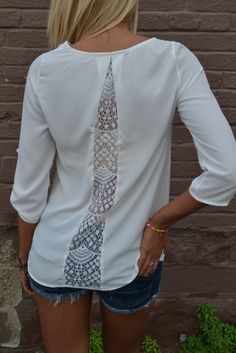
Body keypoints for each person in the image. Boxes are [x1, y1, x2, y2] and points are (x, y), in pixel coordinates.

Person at [9, 0, 236, 352]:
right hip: (135, 256)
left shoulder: (45, 69)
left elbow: (29, 189)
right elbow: (227, 170)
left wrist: (25, 257)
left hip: (54, 252)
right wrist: (160, 222)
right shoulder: (173, 60)